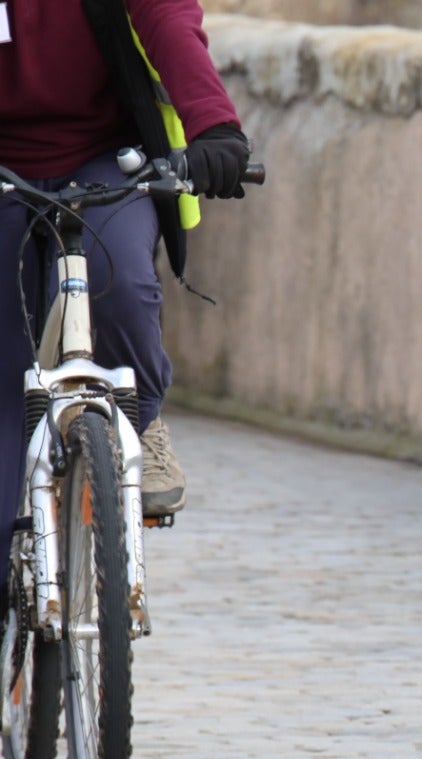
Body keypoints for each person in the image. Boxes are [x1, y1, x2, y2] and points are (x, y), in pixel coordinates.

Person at [1, 1, 252, 547]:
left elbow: (165, 16)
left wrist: (215, 125)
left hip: (105, 160)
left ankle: (139, 418)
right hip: (4, 167)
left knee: (120, 287)